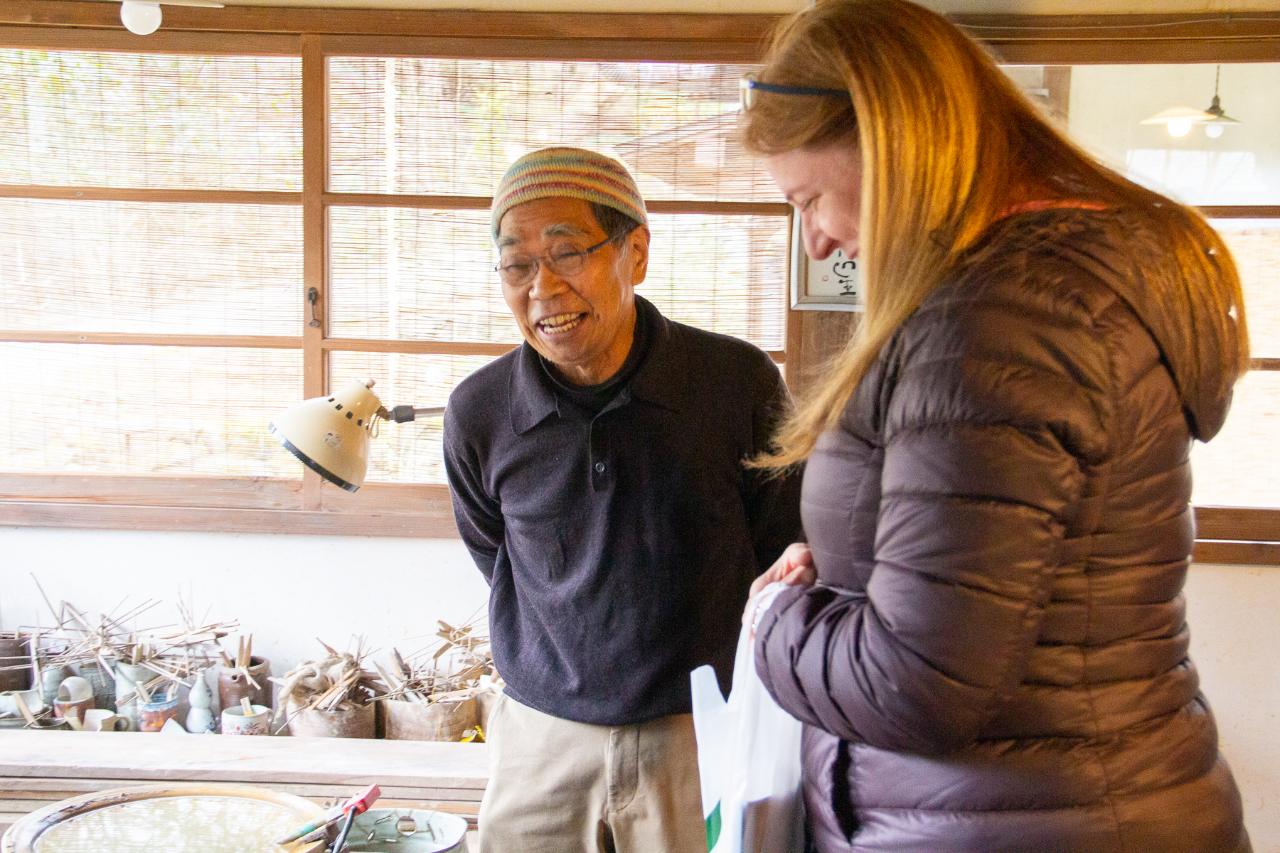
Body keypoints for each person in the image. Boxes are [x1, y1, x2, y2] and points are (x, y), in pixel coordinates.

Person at [737, 1, 1252, 851]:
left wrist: (774, 622)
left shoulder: (1002, 319)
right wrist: (850, 577)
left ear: (891, 142)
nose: (818, 241)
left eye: (811, 197)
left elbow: (916, 685)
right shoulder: (1023, 297)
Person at [443, 146, 802, 853]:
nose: (542, 288)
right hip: (541, 738)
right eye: (516, 265)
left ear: (634, 252)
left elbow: (781, 550)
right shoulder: (480, 411)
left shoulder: (736, 383)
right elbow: (497, 554)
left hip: (696, 730)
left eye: (567, 252)